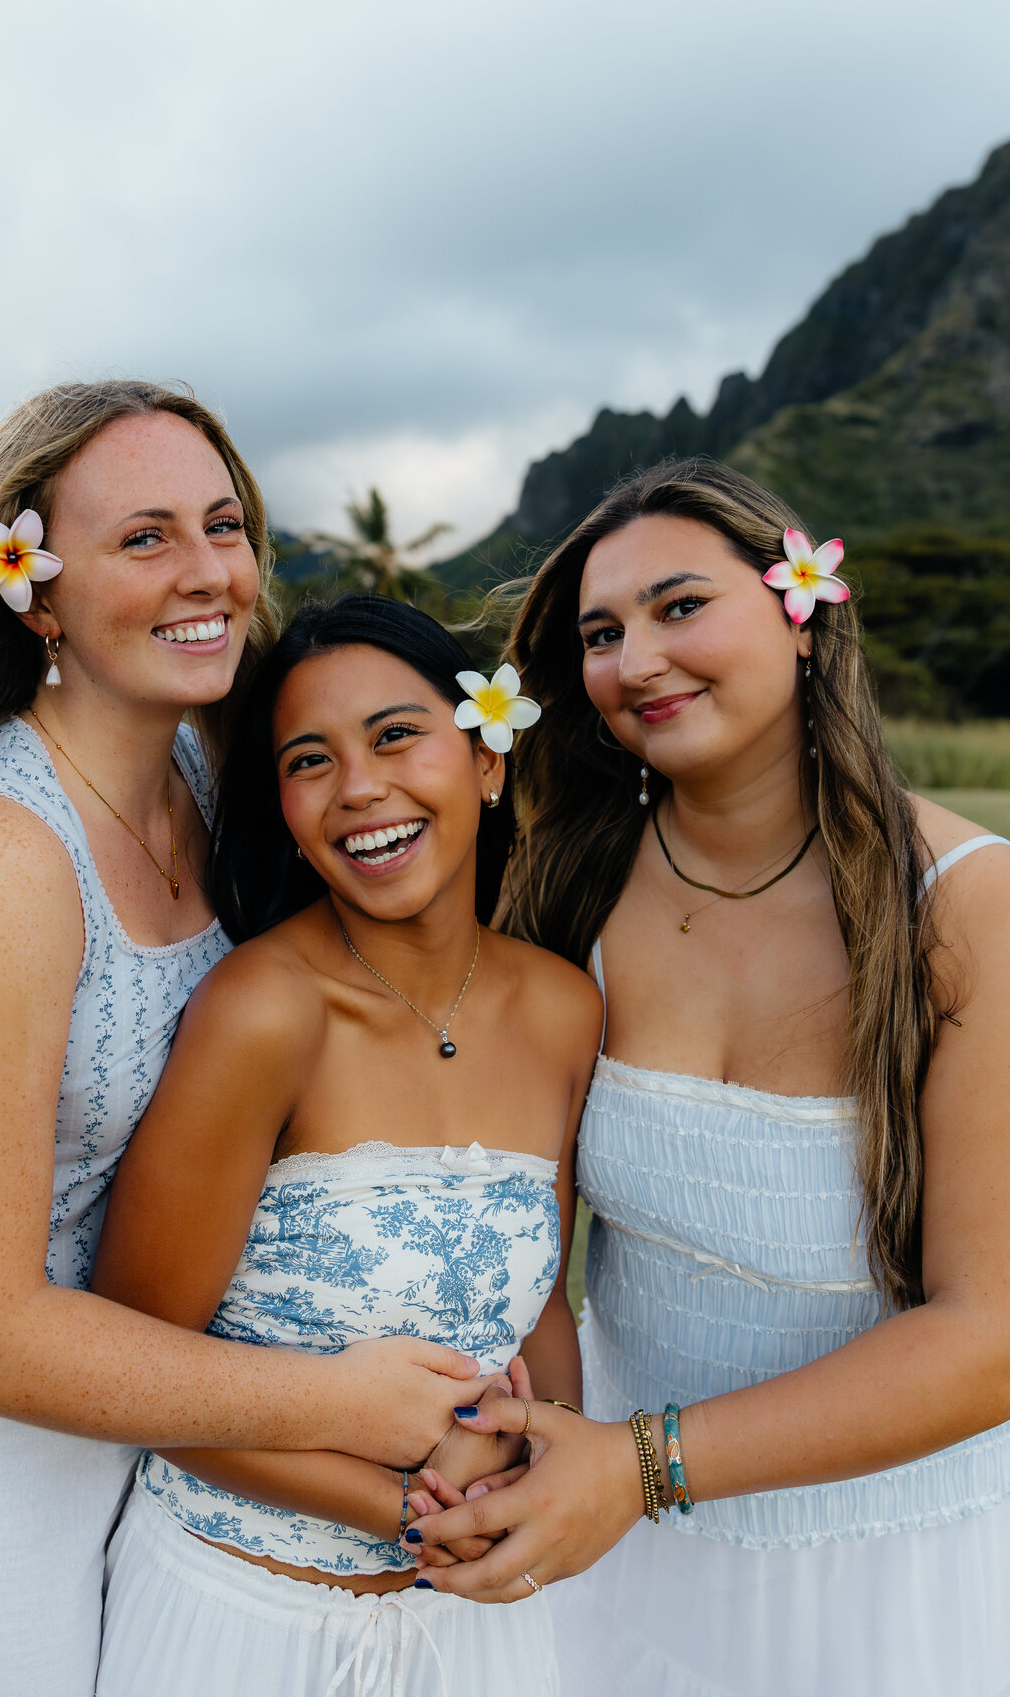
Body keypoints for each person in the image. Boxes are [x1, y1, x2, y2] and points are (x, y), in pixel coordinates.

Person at [0, 384, 490, 1697]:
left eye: (225, 525)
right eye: (145, 538)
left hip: (135, 1472)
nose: (209, 573)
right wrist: (339, 1403)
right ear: (36, 594)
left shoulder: (202, 780)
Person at [400, 459, 1010, 1697]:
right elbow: (517, 1237)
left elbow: (989, 1338)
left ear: (801, 609)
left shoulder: (968, 905)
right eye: (602, 634)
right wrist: (523, 1450)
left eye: (681, 607)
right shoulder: (559, 889)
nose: (636, 662)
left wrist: (641, 1465)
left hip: (888, 1573)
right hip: (614, 1558)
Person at [90, 594, 601, 1696]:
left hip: (479, 1631)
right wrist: (415, 1509)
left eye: (397, 735)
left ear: (488, 762)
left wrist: (544, 1458)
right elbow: (136, 1371)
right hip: (243, 1621)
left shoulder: (565, 1011)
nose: (360, 788)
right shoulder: (263, 1013)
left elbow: (541, 1301)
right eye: (309, 759)